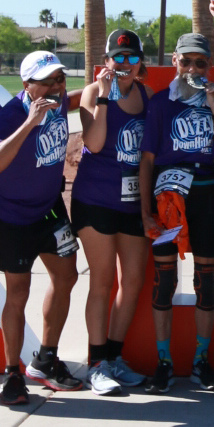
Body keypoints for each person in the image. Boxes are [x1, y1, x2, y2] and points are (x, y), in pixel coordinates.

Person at [0, 50, 84, 403]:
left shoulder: (59, 101)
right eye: (47, 81)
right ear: (27, 85)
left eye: (60, 78)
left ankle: (46, 359)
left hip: (51, 211)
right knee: (18, 293)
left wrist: (105, 84)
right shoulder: (11, 115)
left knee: (67, 276)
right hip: (14, 217)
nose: (56, 86)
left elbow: (76, 98)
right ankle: (12, 373)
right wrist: (29, 123)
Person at [139, 32, 214, 394]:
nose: (193, 68)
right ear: (175, 61)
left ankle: (201, 360)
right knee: (164, 280)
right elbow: (147, 160)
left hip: (206, 193)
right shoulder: (161, 103)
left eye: (200, 62)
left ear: (210, 65)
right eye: (186, 61)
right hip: (167, 196)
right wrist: (145, 211)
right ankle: (163, 361)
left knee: (205, 279)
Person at [71, 28, 151, 395]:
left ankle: (115, 356)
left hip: (132, 203)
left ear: (140, 63)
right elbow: (94, 142)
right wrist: (104, 97)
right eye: (117, 58)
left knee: (133, 280)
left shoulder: (146, 95)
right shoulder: (93, 92)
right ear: (106, 61)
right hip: (96, 200)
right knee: (102, 281)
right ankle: (97, 362)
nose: (124, 64)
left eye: (131, 58)